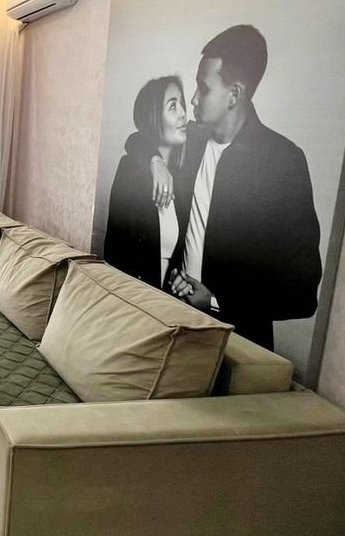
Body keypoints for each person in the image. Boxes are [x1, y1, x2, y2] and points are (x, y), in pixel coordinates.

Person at [130, 24, 323, 350]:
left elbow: (302, 292)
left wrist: (216, 301)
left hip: (236, 344)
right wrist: (155, 161)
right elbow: (139, 136)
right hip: (171, 324)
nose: (193, 99)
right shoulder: (191, 141)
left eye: (203, 88)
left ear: (234, 94)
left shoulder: (283, 162)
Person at [103, 76, 188, 288]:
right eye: (172, 106)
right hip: (135, 298)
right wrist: (155, 161)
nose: (183, 113)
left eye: (182, 104)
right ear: (154, 118)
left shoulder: (183, 176)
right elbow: (115, 254)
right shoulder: (131, 170)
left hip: (167, 301)